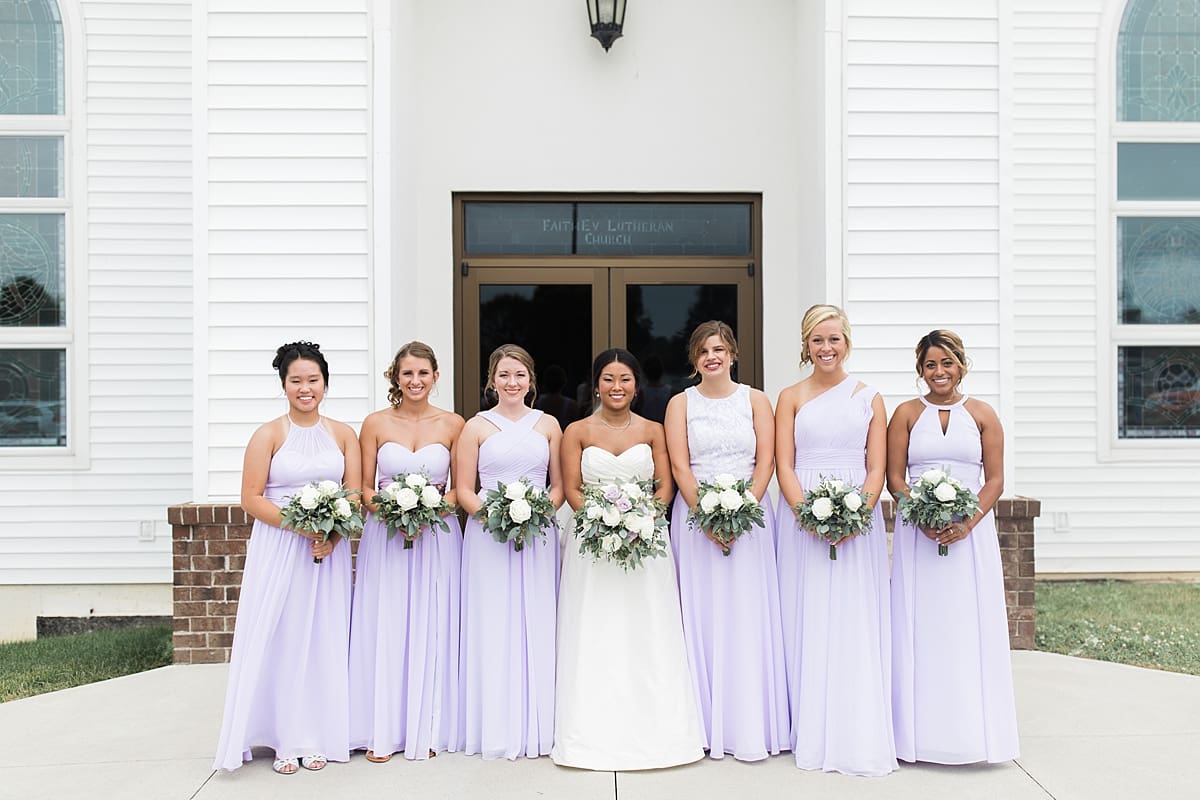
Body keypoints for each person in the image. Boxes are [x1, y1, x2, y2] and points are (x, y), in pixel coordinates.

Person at [551, 348, 705, 770]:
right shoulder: (577, 431)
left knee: (647, 627)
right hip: (592, 544)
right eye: (608, 379)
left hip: (646, 542)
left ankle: (657, 728)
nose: (616, 388)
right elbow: (573, 489)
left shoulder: (654, 430)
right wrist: (604, 522)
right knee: (596, 627)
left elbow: (665, 487)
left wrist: (640, 521)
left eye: (624, 379)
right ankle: (590, 729)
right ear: (595, 384)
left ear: (636, 385)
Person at [213, 341, 361, 774]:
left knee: (322, 637)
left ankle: (315, 734)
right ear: (284, 384)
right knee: (283, 635)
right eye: (296, 380)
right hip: (280, 548)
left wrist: (333, 537)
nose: (305, 388)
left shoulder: (343, 434)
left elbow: (351, 496)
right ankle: (282, 737)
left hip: (325, 553)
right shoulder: (269, 434)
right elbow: (250, 498)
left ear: (325, 384)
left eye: (313, 380)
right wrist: (302, 526)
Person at [775, 304, 897, 776]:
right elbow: (785, 463)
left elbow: (876, 468)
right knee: (804, 612)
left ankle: (853, 719)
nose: (826, 348)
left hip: (856, 520)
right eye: (817, 340)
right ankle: (804, 723)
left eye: (834, 339)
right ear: (805, 345)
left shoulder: (870, 397)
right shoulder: (790, 396)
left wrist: (857, 515)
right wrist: (805, 512)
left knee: (851, 612)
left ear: (847, 342)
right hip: (801, 514)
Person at [887, 330, 1019, 764]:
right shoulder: (905, 414)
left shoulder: (982, 414)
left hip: (971, 535)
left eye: (946, 363)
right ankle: (916, 737)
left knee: (966, 625)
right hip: (917, 534)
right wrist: (920, 516)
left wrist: (967, 523)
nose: (939, 372)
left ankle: (972, 734)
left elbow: (995, 479)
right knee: (920, 624)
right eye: (930, 365)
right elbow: (895, 478)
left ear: (961, 364)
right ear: (920, 370)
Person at [663, 321, 788, 760]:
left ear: (733, 353)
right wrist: (708, 516)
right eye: (702, 351)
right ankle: (701, 724)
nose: (711, 357)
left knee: (747, 615)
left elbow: (767, 461)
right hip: (696, 522)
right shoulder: (681, 403)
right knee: (701, 616)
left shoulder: (756, 400)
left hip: (750, 521)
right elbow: (681, 467)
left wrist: (740, 510)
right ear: (694, 360)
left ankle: (748, 724)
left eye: (718, 349)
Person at [348, 341, 465, 762]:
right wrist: (394, 508)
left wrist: (429, 507)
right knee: (387, 621)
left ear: (436, 376)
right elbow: (363, 487)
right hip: (386, 535)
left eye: (423, 373)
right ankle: (381, 729)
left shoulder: (453, 424)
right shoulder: (375, 423)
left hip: (438, 535)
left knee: (434, 621)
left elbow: (461, 488)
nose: (415, 381)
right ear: (395, 378)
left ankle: (431, 725)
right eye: (407, 373)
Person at [456, 344, 564, 760]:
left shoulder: (549, 424)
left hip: (537, 535)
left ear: (531, 380)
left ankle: (538, 724)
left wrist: (535, 515)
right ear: (491, 380)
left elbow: (557, 486)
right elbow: (465, 488)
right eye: (503, 375)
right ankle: (495, 724)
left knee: (537, 619)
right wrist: (495, 517)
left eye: (519, 374)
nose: (512, 382)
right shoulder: (476, 427)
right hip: (488, 537)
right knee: (493, 619)